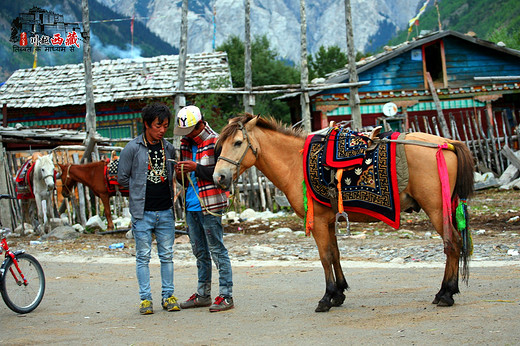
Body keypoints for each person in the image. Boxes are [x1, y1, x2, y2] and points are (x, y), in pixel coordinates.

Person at [117, 102, 179, 315]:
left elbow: (173, 175)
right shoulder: (133, 148)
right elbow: (122, 178)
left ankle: (168, 296)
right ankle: (145, 300)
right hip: (142, 213)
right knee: (143, 256)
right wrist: (139, 188)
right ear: (146, 124)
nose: (162, 130)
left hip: (166, 212)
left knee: (167, 255)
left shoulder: (169, 148)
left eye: (165, 126)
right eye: (157, 125)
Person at [174, 105, 234, 312]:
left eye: (190, 129)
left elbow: (223, 177)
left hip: (210, 205)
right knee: (199, 252)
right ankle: (203, 294)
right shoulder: (185, 143)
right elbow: (183, 180)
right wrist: (180, 172)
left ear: (199, 124)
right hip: (191, 205)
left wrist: (196, 168)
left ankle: (226, 295)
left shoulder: (216, 141)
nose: (187, 135)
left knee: (217, 250)